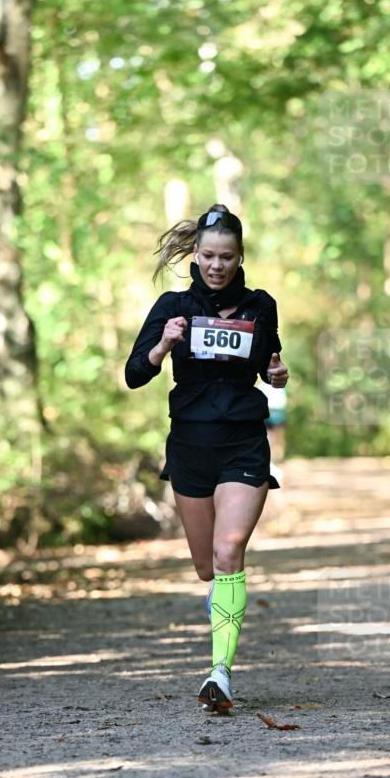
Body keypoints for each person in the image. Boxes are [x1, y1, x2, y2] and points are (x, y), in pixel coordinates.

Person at [125, 204, 288, 712]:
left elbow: (268, 365)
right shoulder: (173, 306)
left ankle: (220, 672)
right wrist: (163, 346)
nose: (218, 265)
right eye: (210, 256)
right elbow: (134, 374)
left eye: (228, 257)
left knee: (228, 551)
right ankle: (223, 610)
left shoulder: (261, 306)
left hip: (243, 441)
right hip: (191, 446)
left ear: (240, 258)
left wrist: (277, 376)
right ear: (195, 255)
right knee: (206, 568)